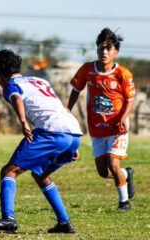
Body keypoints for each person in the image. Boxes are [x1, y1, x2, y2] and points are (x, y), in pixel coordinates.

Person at [0, 49, 83, 235]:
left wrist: (23, 122)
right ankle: (64, 222)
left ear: (1, 74)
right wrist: (73, 141)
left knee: (8, 171)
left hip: (50, 131)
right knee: (41, 174)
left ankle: (8, 218)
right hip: (72, 131)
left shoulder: (10, 85)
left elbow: (17, 99)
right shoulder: (39, 81)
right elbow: (59, 106)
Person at [67, 28, 135, 211]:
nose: (104, 52)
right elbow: (76, 90)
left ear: (115, 51)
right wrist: (68, 109)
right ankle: (126, 175)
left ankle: (124, 202)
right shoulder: (87, 70)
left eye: (108, 48)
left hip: (116, 128)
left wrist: (124, 117)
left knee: (113, 164)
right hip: (97, 129)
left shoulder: (123, 74)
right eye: (101, 48)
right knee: (103, 172)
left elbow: (129, 100)